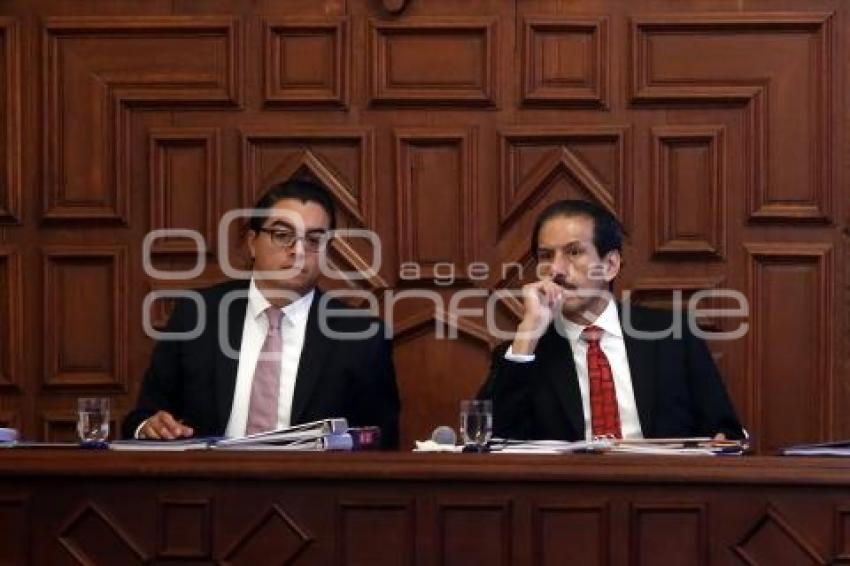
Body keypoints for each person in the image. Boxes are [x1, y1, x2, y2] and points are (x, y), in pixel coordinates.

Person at [122, 179, 401, 448]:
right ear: (252, 242)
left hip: (314, 481)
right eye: (282, 235)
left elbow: (381, 445)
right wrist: (149, 426)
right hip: (208, 478)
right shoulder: (197, 315)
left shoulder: (361, 338)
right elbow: (143, 416)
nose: (298, 251)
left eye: (314, 240)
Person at [477, 200, 744, 441]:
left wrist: (722, 442)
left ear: (610, 265)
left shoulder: (673, 335)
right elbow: (491, 442)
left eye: (574, 252)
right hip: (567, 481)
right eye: (546, 256)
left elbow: (726, 432)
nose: (556, 270)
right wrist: (528, 333)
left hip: (659, 479)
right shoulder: (524, 353)